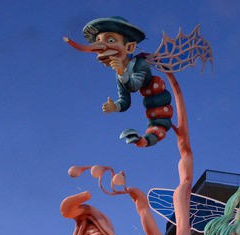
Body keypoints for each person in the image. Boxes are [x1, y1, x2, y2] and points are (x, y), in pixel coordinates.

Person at [70, 17, 172, 147]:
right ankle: (143, 140)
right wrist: (115, 106)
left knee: (161, 124)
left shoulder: (139, 64)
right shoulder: (119, 73)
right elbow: (125, 101)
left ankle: (148, 138)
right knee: (155, 127)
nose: (101, 47)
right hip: (151, 104)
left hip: (159, 101)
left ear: (130, 47)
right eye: (98, 41)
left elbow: (134, 86)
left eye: (110, 40)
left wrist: (121, 73)